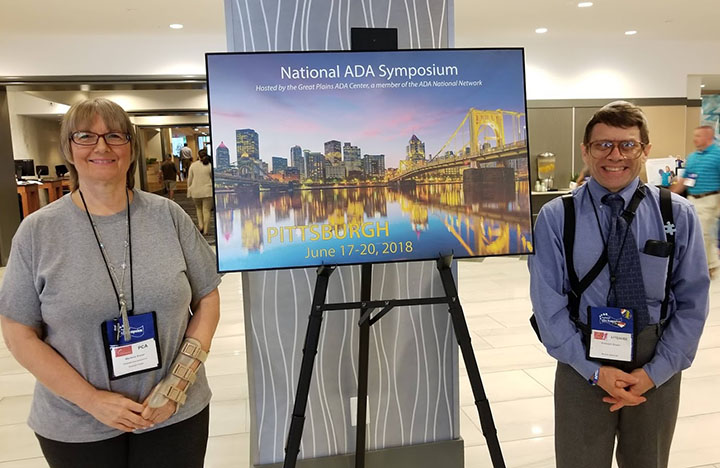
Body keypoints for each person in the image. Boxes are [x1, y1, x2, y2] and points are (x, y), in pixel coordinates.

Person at [0, 98, 222, 468]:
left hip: (173, 413)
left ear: (130, 148)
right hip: (77, 423)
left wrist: (177, 385)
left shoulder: (168, 216)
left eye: (115, 136)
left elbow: (208, 299)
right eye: (85, 136)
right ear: (68, 148)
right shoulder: (37, 232)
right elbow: (18, 331)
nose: (101, 147)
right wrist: (91, 399)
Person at [529, 101, 709, 468]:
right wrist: (592, 370)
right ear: (585, 150)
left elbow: (692, 302)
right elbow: (548, 304)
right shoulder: (556, 217)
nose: (615, 155)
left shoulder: (676, 213)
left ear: (646, 150)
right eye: (603, 145)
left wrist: (654, 372)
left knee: (649, 460)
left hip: (654, 355)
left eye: (627, 145)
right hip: (582, 356)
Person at [672, 125, 720, 277]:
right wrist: (667, 195)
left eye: (698, 136)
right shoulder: (693, 157)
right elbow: (685, 180)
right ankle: (711, 265)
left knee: (703, 233)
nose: (695, 139)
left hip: (710, 200)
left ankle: (705, 268)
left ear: (708, 137)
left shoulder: (718, 155)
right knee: (701, 233)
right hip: (692, 200)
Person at [187, 149, 214, 236]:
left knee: (198, 209)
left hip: (196, 191)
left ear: (198, 156)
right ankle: (206, 230)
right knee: (206, 210)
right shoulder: (210, 166)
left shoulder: (193, 165)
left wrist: (189, 189)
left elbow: (190, 179)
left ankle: (201, 225)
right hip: (207, 191)